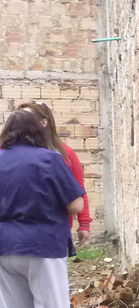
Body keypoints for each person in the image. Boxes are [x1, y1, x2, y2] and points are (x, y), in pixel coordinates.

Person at [0, 110, 92, 308]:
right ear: (37, 131)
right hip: (43, 246)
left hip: (4, 247)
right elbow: (75, 204)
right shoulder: (49, 159)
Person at [17, 101, 92, 245]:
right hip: (17, 230)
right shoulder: (6, 153)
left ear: (44, 122)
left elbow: (79, 189)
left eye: (28, 118)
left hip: (55, 229)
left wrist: (84, 223)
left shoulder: (65, 154)